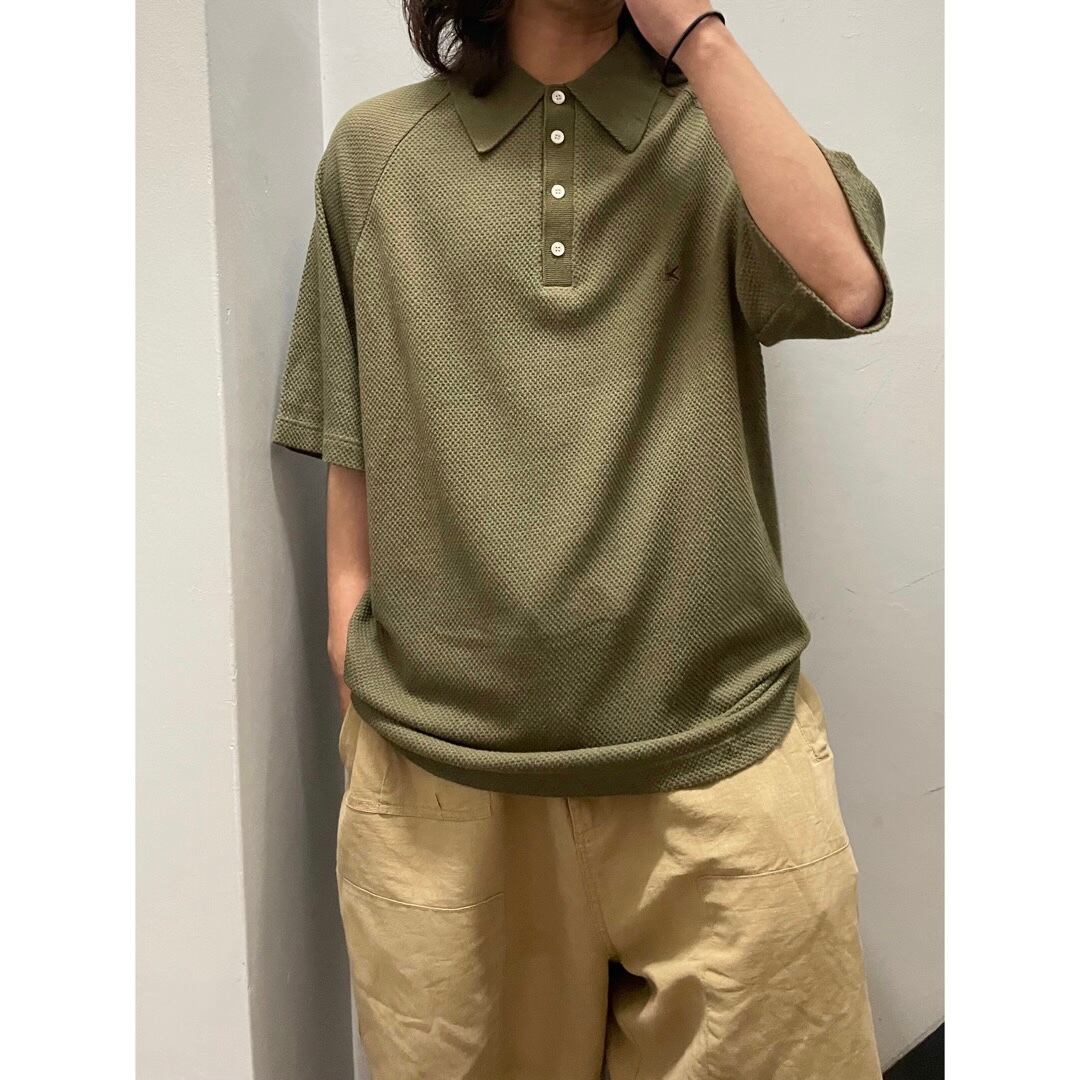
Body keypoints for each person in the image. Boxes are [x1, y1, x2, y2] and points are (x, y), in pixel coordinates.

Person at [271, 0, 893, 1075]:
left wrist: (699, 36)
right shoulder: (375, 153)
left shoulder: (720, 134)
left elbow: (850, 284)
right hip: (445, 783)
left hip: (721, 763)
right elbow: (353, 423)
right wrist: (346, 632)